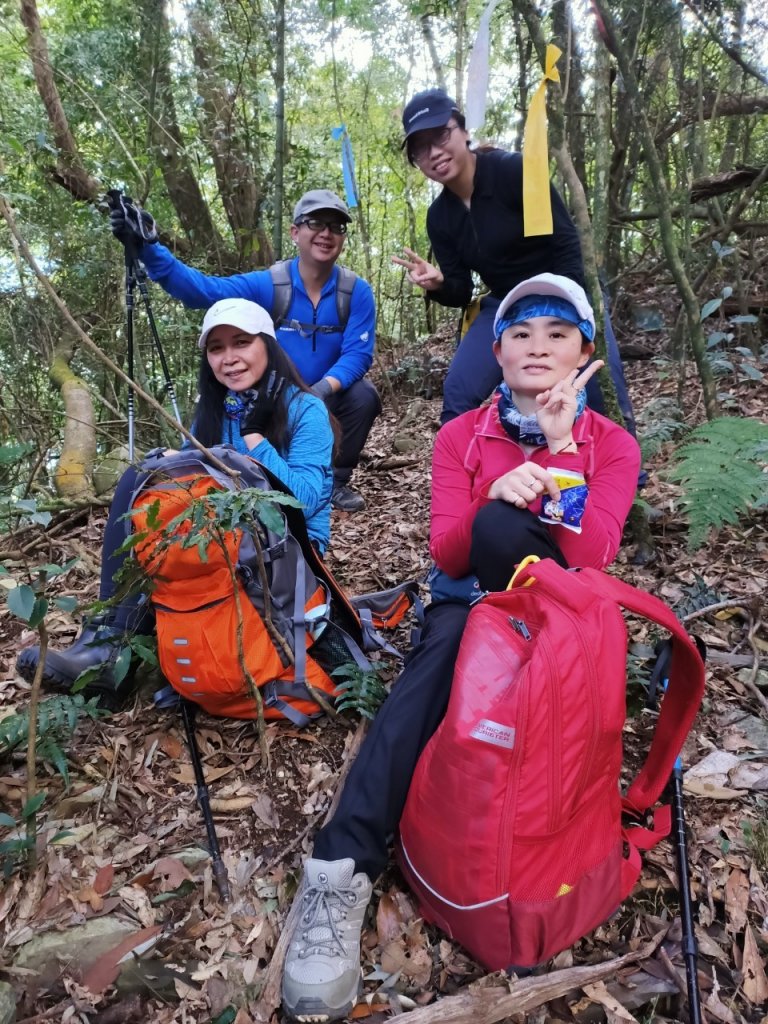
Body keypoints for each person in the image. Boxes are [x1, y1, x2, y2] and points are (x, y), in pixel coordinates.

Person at [279, 274, 641, 1023]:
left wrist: (561, 445)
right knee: (424, 688)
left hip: (564, 613)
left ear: (583, 351)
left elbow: (591, 555)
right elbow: (447, 553)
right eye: (520, 334)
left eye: (557, 333)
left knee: (516, 549)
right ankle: (342, 867)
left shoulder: (613, 445)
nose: (537, 346)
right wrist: (494, 494)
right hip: (468, 604)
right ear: (497, 351)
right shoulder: (460, 436)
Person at [16, 298, 334, 697]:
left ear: (268, 347)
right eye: (216, 348)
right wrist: (170, 463)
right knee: (140, 476)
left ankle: (114, 654)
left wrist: (255, 437)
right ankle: (107, 645)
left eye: (241, 342)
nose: (229, 358)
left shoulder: (306, 409)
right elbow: (192, 483)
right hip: (224, 533)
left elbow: (305, 499)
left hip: (292, 548)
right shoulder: (215, 412)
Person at [110, 189, 379, 512]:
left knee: (364, 396)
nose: (326, 233)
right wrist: (149, 248)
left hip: (323, 394)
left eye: (336, 227)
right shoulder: (271, 284)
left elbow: (358, 355)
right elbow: (204, 291)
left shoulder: (355, 291)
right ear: (295, 232)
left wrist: (320, 389)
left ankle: (334, 480)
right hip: (270, 397)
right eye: (316, 223)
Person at [393, 88, 637, 436]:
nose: (433, 152)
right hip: (505, 301)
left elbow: (567, 243)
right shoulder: (440, 217)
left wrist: (567, 313)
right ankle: (464, 482)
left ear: (462, 130)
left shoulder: (513, 171)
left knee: (595, 384)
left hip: (565, 287)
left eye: (441, 135)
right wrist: (439, 284)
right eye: (420, 148)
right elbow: (462, 292)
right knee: (459, 392)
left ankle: (630, 481)